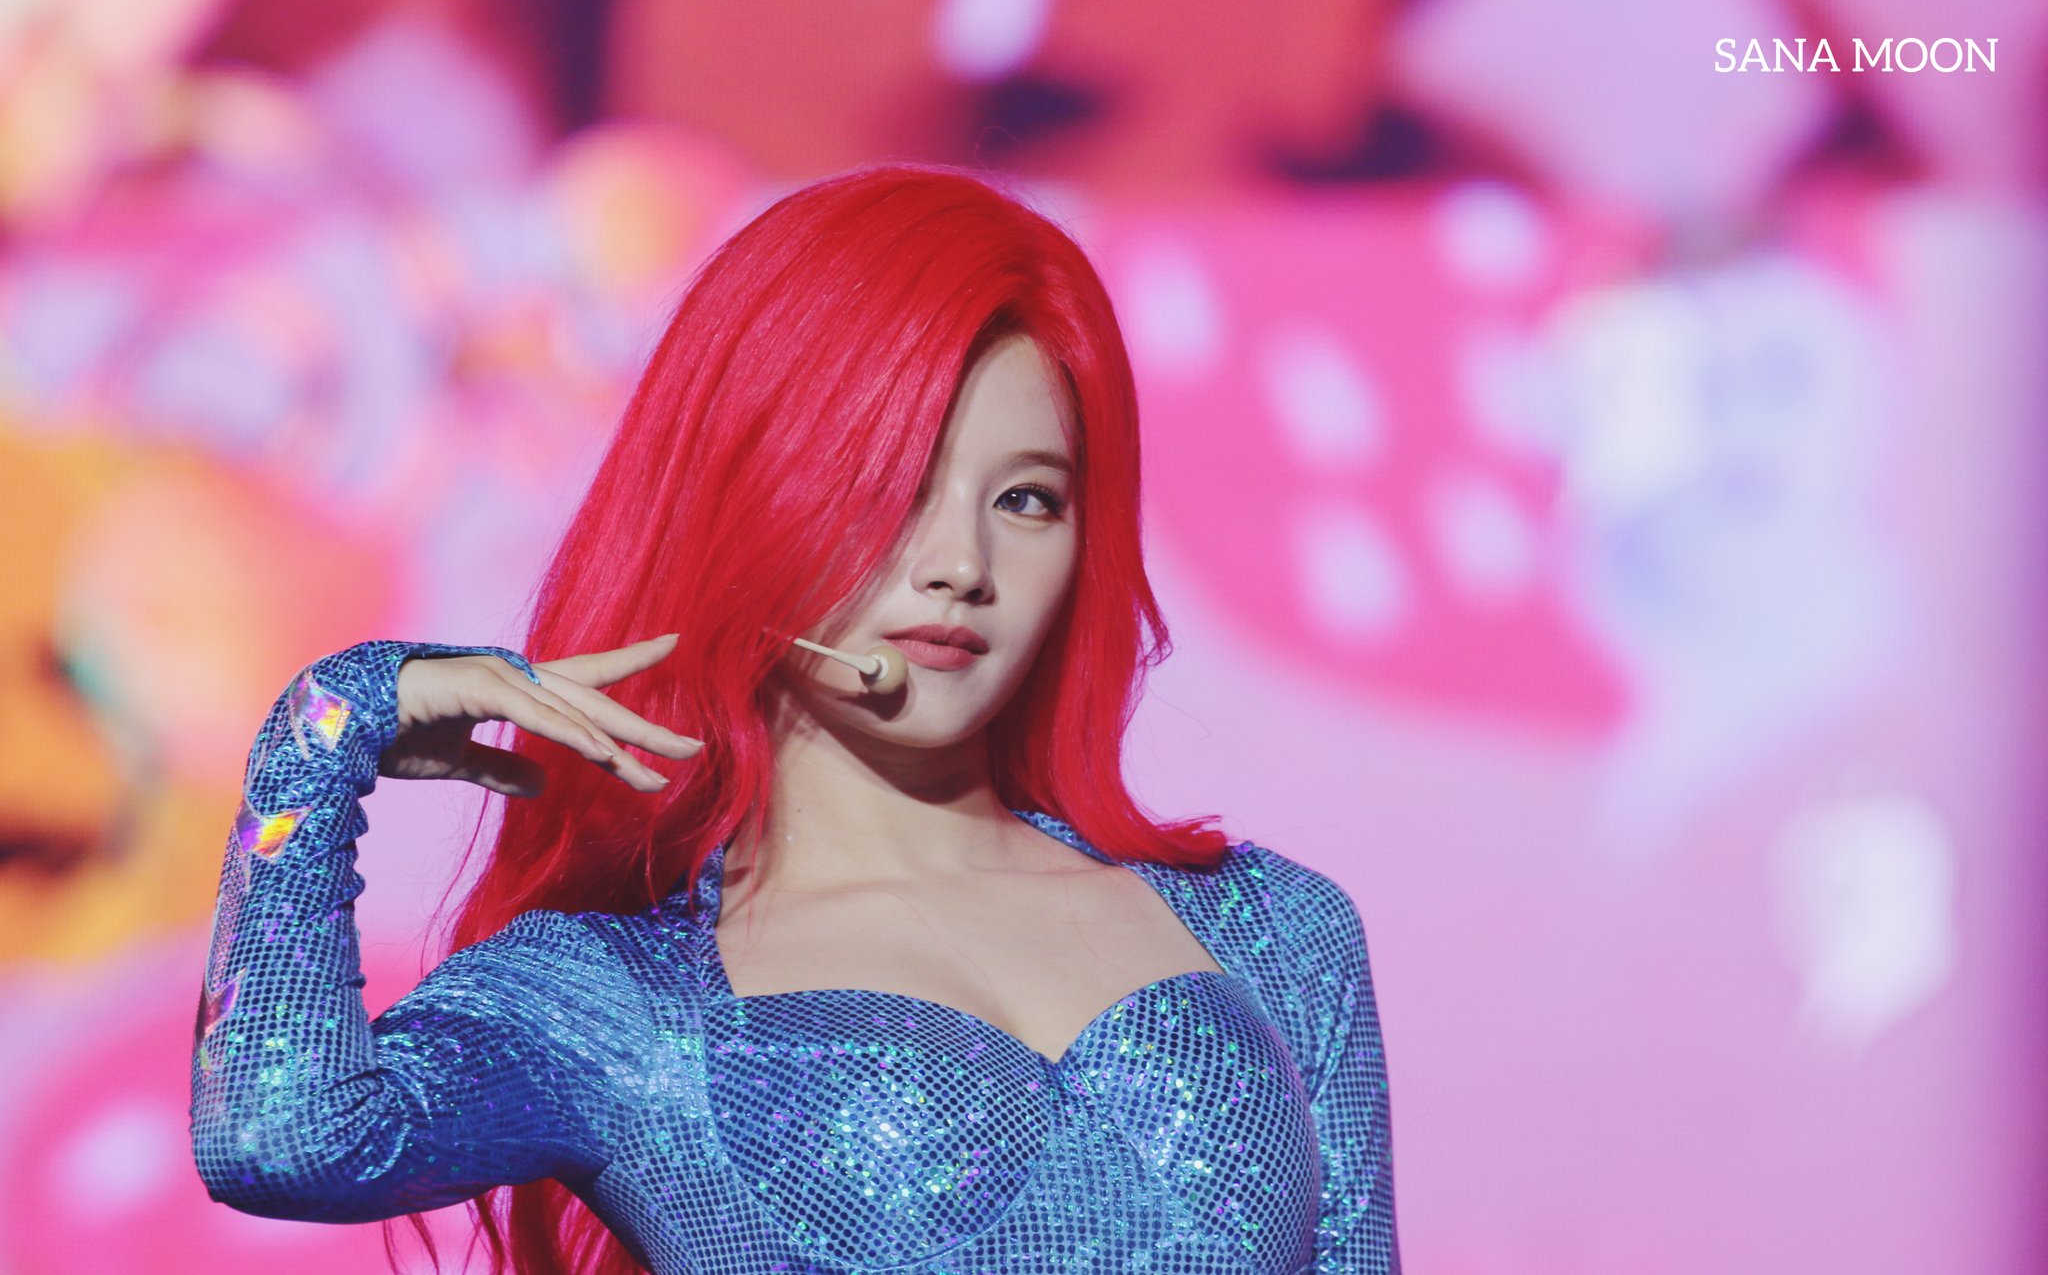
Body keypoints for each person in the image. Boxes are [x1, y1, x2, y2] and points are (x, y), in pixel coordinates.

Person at [189, 164, 1400, 1274]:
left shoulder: (1276, 931)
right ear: (752, 495)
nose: (960, 566)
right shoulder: (618, 1003)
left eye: (1027, 500)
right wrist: (324, 728)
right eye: (892, 481)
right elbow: (282, 1139)